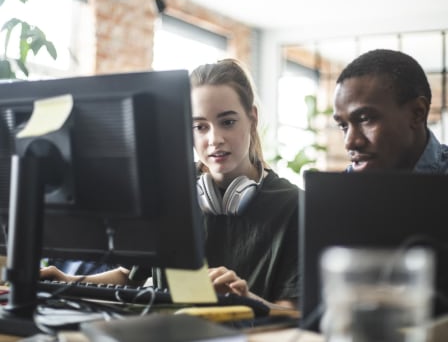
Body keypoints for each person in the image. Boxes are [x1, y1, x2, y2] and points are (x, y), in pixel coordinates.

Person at [41, 59, 300, 310]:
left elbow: (295, 314)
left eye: (228, 122)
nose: (214, 139)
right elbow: (128, 276)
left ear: (252, 119)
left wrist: (246, 299)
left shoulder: (294, 206)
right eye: (199, 126)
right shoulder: (170, 190)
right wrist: (66, 281)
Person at [332, 48, 448, 173]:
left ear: (417, 113)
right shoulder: (341, 188)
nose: (350, 143)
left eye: (365, 119)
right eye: (343, 126)